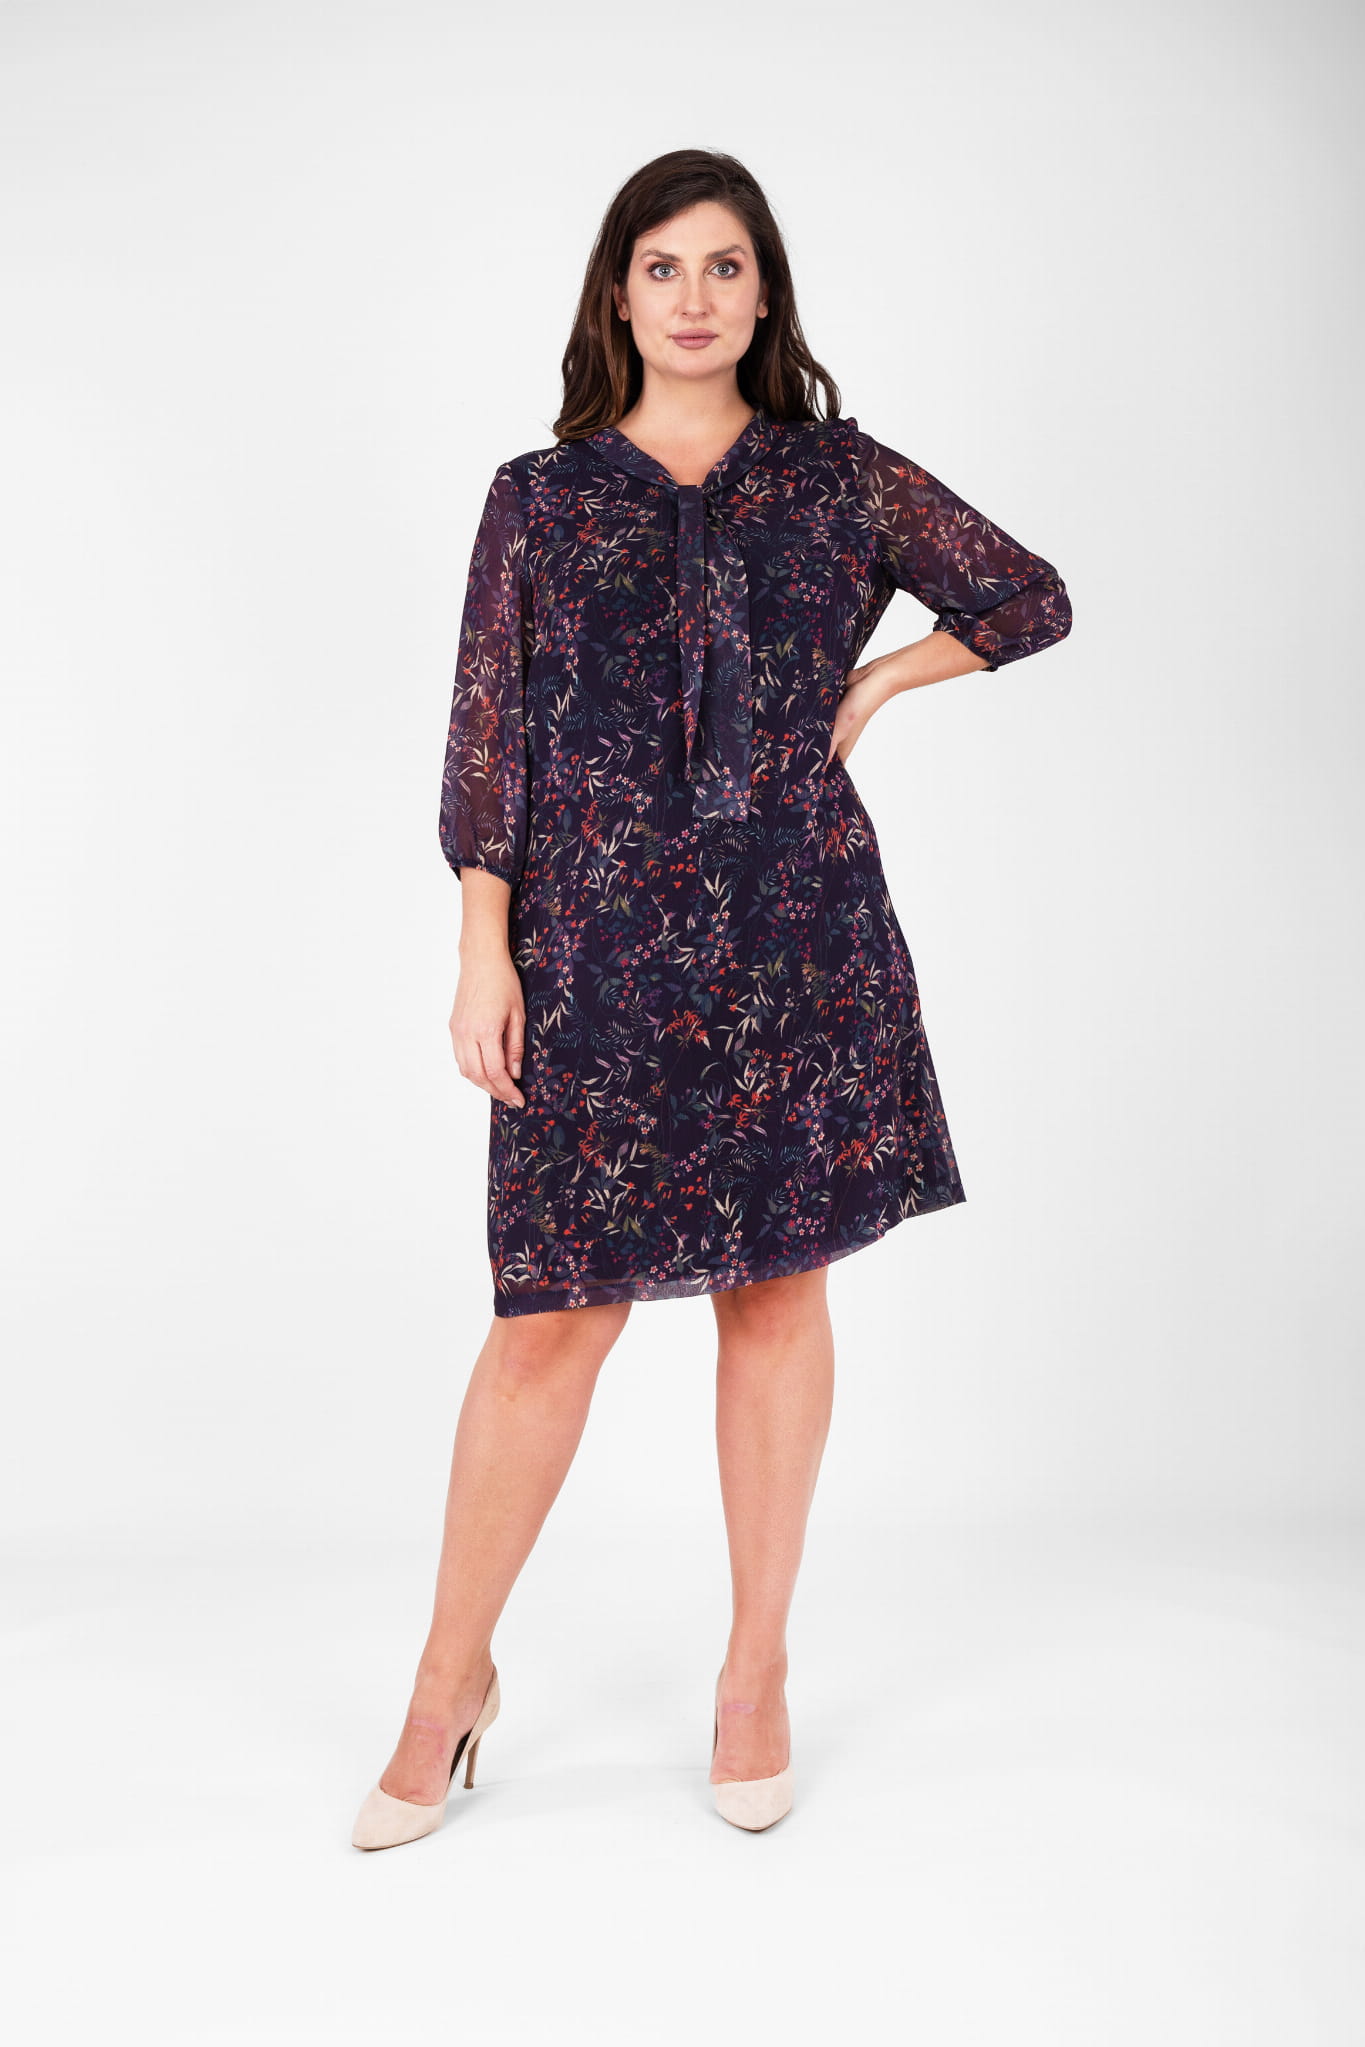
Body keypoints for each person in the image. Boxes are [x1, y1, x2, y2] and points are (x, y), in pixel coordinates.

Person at [351, 148, 1072, 1850]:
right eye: (662, 267)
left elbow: (1026, 595)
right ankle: (448, 1683)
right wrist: (481, 945)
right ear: (619, 294)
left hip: (793, 939)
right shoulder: (542, 497)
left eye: (723, 266)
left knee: (774, 1294)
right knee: (550, 1321)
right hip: (590, 955)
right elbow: (488, 735)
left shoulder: (836, 478)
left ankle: (755, 1674)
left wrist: (880, 681)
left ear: (763, 294)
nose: (692, 297)